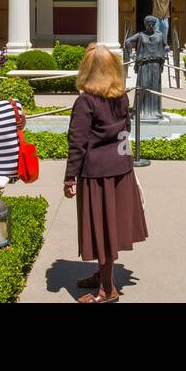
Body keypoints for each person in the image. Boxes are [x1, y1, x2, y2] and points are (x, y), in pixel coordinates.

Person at [64, 44, 148, 303]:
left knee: (101, 228)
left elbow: (77, 142)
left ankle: (107, 290)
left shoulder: (85, 102)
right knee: (110, 227)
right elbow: (126, 130)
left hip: (97, 174)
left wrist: (69, 177)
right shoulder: (121, 97)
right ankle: (103, 275)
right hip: (121, 169)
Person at [123, 15, 167, 120]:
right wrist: (130, 54)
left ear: (155, 24)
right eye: (148, 24)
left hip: (155, 64)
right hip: (144, 65)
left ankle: (155, 112)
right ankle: (139, 111)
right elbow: (127, 41)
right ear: (145, 24)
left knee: (154, 87)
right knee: (143, 86)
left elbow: (165, 46)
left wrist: (164, 51)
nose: (150, 26)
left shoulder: (160, 35)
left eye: (152, 24)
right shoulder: (140, 35)